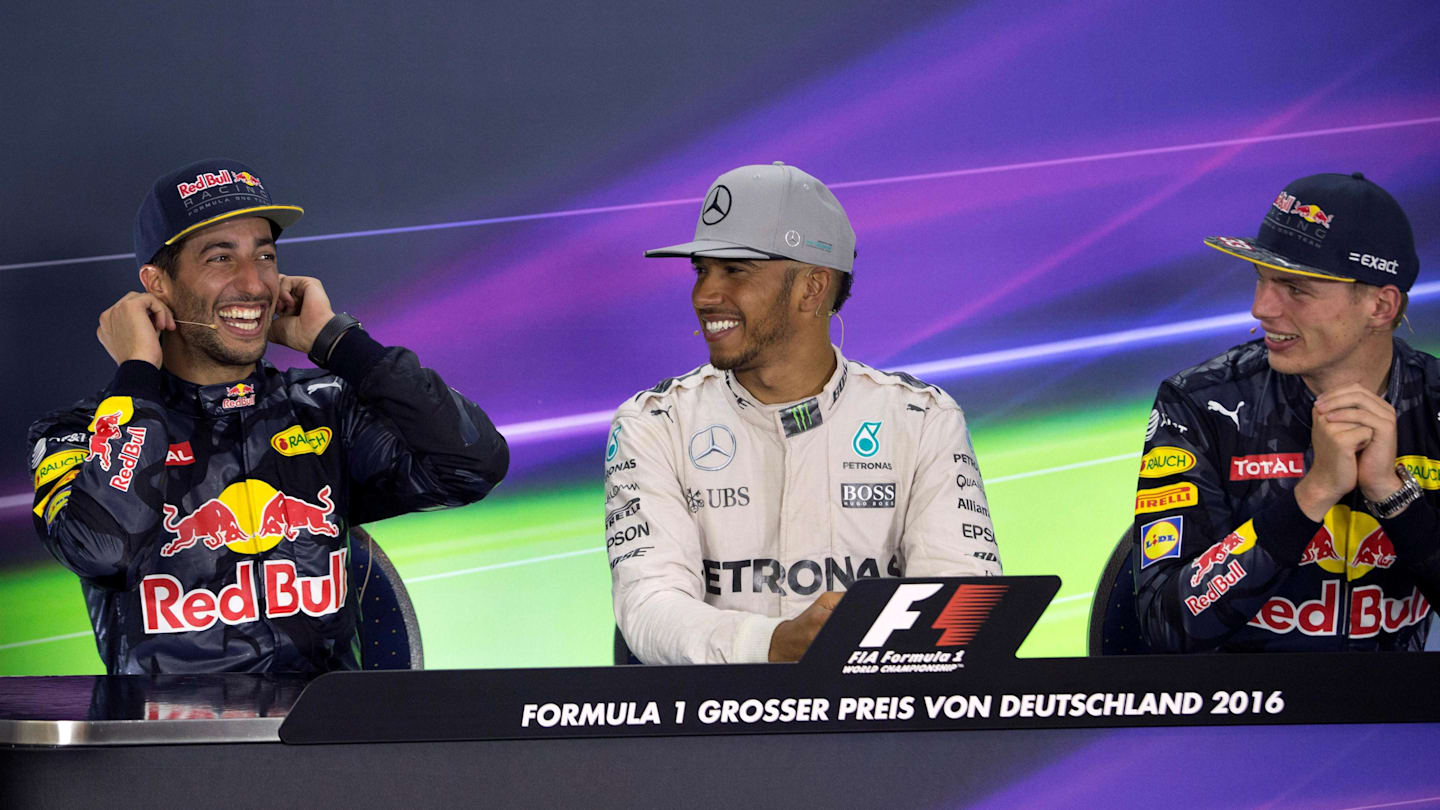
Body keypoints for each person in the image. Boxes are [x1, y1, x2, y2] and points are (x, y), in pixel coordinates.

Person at [27, 158, 509, 674]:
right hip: (166, 748)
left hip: (324, 742)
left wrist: (342, 344)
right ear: (157, 283)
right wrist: (138, 372)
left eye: (265, 256)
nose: (254, 284)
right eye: (220, 258)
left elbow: (471, 465)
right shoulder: (77, 432)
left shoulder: (326, 410)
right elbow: (104, 551)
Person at [606, 162, 1001, 665]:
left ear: (812, 287)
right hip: (711, 734)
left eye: (735, 271)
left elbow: (963, 609)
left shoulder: (922, 420)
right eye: (701, 270)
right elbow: (649, 607)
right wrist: (774, 645)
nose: (704, 295)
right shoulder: (653, 424)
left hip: (874, 730)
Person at [1133, 172, 1440, 652]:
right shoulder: (1203, 402)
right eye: (1262, 280)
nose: (1261, 308)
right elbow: (1166, 625)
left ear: (1381, 305)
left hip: (1396, 718)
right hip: (1241, 716)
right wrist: (1312, 495)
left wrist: (1392, 495)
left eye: (1296, 289)